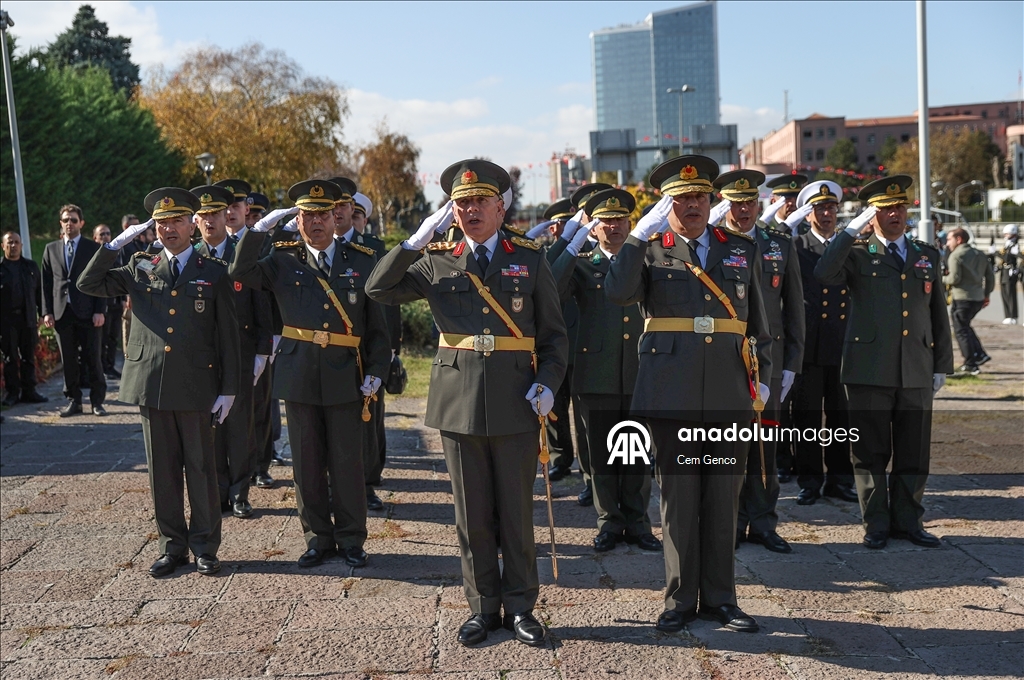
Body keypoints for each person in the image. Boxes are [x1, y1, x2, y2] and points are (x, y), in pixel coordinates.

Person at [367, 159, 567, 648]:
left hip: (518, 398)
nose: (471, 210)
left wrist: (548, 383)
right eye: (461, 203)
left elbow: (556, 336)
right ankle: (482, 608)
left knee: (516, 513)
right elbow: (377, 288)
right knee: (471, 512)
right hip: (458, 401)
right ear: (450, 211)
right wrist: (412, 243)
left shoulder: (530, 255)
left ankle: (521, 607)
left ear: (501, 207)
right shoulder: (436, 257)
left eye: (480, 201)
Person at [606, 155, 772, 635]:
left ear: (711, 198)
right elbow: (617, 293)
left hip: (728, 392)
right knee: (679, 503)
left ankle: (721, 598)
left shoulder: (738, 249)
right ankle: (679, 600)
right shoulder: (649, 249)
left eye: (699, 195)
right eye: (681, 197)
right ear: (667, 203)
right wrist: (637, 235)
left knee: (723, 500)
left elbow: (762, 325)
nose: (692, 204)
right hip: (670, 394)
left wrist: (764, 378)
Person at [78, 187, 240, 577]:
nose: (170, 228)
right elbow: (88, 283)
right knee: (162, 472)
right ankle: (173, 546)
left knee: (200, 469)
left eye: (178, 220)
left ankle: (204, 546)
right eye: (163, 222)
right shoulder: (140, 264)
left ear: (193, 224)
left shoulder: (213, 272)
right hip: (152, 383)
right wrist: (117, 243)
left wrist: (230, 388)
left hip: (197, 385)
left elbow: (228, 336)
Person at [230, 179, 391, 570]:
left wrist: (377, 370)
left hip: (346, 374)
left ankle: (352, 538)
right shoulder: (281, 259)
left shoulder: (361, 260)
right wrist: (258, 229)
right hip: (299, 373)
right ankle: (317, 538)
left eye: (323, 214)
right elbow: (240, 270)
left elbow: (377, 327)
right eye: (307, 215)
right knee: (306, 463)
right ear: (297, 220)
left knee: (347, 462)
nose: (316, 222)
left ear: (335, 218)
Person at [815, 175, 953, 550]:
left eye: (900, 207)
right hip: (869, 368)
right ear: (872, 215)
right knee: (870, 451)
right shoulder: (857, 253)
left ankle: (909, 520)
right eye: (885, 209)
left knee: (914, 450)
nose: (895, 214)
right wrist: (849, 231)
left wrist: (942, 363)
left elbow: (938, 312)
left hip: (916, 367)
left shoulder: (926, 254)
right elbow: (824, 273)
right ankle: (876, 523)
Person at [550, 188, 660, 553]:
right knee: (600, 453)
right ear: (595, 228)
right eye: (605, 221)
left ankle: (639, 522)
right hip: (595, 371)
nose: (614, 227)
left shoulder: (644, 260)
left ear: (630, 223)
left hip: (640, 369)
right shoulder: (582, 264)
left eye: (620, 220)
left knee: (637, 452)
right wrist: (573, 239)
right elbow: (550, 284)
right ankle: (609, 522)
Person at [716, 170, 805, 555]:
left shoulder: (778, 244)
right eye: (736, 203)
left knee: (766, 442)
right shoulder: (716, 244)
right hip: (729, 357)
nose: (744, 209)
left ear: (760, 203)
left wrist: (792, 363)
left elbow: (794, 308)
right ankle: (732, 521)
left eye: (750, 202)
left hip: (770, 359)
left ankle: (764, 522)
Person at [192, 184, 274, 518]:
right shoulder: (190, 256)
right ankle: (219, 491)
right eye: (205, 215)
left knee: (241, 427)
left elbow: (261, 303)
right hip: (202, 357)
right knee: (210, 429)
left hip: (240, 353)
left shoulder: (241, 252)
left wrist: (263, 350)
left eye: (217, 213)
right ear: (195, 220)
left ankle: (241, 492)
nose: (212, 220)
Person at [791, 181, 857, 506]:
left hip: (841, 343)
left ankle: (840, 479)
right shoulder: (797, 246)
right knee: (806, 418)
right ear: (809, 214)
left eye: (831, 208)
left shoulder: (849, 247)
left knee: (840, 416)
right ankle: (810, 480)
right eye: (820, 208)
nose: (827, 214)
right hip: (807, 345)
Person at [352, 191, 403, 512]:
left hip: (372, 348)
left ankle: (369, 482)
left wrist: (391, 349)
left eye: (355, 214)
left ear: (364, 219)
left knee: (371, 421)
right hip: (340, 349)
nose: (348, 218)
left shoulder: (375, 251)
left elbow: (389, 306)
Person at [41, 204, 107, 417]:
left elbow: (100, 281)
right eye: (65, 220)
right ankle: (74, 400)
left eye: (73, 220)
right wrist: (47, 312)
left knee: (93, 358)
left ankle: (97, 401)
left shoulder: (92, 248)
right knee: (68, 360)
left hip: (88, 312)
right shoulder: (51, 249)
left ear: (82, 223)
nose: (69, 223)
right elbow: (46, 283)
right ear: (60, 223)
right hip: (62, 313)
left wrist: (100, 310)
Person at [1, 231, 48, 406]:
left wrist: (43, 313)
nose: (13, 246)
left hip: (27, 319)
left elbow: (39, 292)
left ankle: (30, 391)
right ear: (3, 246)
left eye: (16, 242)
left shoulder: (30, 267)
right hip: (6, 321)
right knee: (10, 357)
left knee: (29, 356)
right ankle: (12, 393)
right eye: (9, 242)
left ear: (21, 245)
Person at [943, 228, 994, 375]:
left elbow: (954, 279)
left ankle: (970, 363)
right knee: (965, 326)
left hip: (962, 297)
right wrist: (987, 294)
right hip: (977, 297)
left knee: (961, 331)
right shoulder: (979, 254)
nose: (947, 243)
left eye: (949, 239)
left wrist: (940, 278)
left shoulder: (956, 256)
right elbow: (990, 277)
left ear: (959, 240)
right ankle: (979, 354)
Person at [92, 224, 126, 379]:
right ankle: (102, 367)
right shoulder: (94, 256)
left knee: (113, 338)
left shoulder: (115, 253)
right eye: (102, 234)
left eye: (107, 233)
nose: (105, 236)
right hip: (102, 304)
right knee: (102, 339)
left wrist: (123, 298)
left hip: (115, 303)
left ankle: (110, 366)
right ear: (95, 238)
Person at [992, 224, 1019, 324]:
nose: (1005, 235)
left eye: (1007, 234)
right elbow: (1004, 260)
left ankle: (1013, 315)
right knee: (1004, 293)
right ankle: (1007, 315)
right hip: (1004, 271)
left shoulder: (1015, 245)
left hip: (1011, 272)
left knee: (1010, 294)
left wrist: (996, 253)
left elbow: (1008, 258)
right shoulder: (1007, 245)